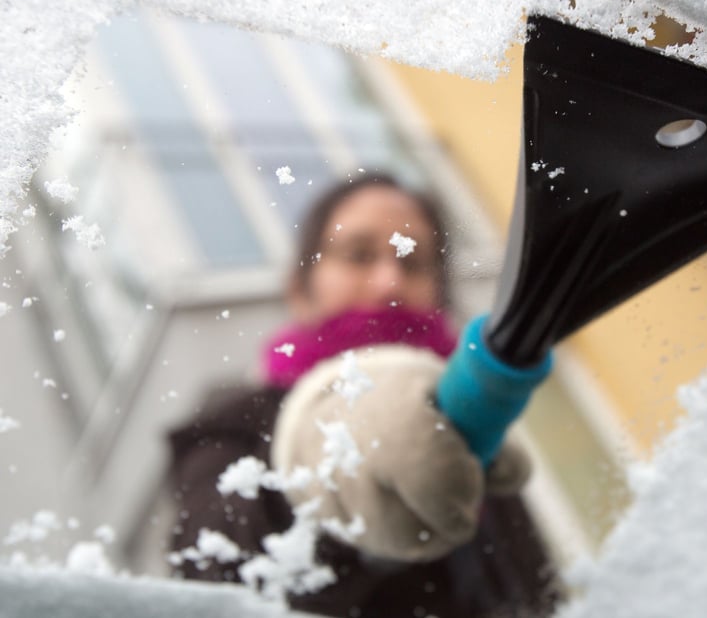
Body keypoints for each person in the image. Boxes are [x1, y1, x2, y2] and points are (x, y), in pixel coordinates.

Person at [167, 174, 561, 617]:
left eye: (412, 263)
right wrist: (332, 490)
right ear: (300, 289)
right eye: (359, 255)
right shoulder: (234, 419)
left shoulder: (471, 431)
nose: (388, 283)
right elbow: (211, 571)